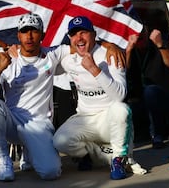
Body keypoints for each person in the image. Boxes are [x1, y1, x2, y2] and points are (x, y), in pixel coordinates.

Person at [53, 16, 147, 180]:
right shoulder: (68, 60)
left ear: (94, 34)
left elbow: (120, 95)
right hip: (85, 119)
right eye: (74, 34)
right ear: (70, 39)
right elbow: (42, 60)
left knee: (121, 109)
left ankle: (118, 159)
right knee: (59, 141)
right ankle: (93, 155)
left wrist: (94, 70)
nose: (79, 38)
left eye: (84, 33)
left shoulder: (112, 55)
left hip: (110, 120)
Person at [0, 13, 68, 181]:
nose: (29, 36)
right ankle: (4, 159)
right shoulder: (8, 58)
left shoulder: (52, 54)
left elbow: (80, 46)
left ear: (42, 35)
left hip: (39, 125)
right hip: (12, 122)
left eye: (34, 31)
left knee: (50, 172)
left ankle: (29, 151)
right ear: (18, 35)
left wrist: (110, 44)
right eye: (25, 31)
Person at [125, 25, 169, 148]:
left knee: (150, 91)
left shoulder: (159, 44)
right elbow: (122, 72)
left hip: (162, 97)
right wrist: (128, 50)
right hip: (137, 99)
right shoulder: (129, 50)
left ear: (147, 31)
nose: (139, 36)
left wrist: (159, 45)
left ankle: (157, 136)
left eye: (142, 32)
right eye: (135, 33)